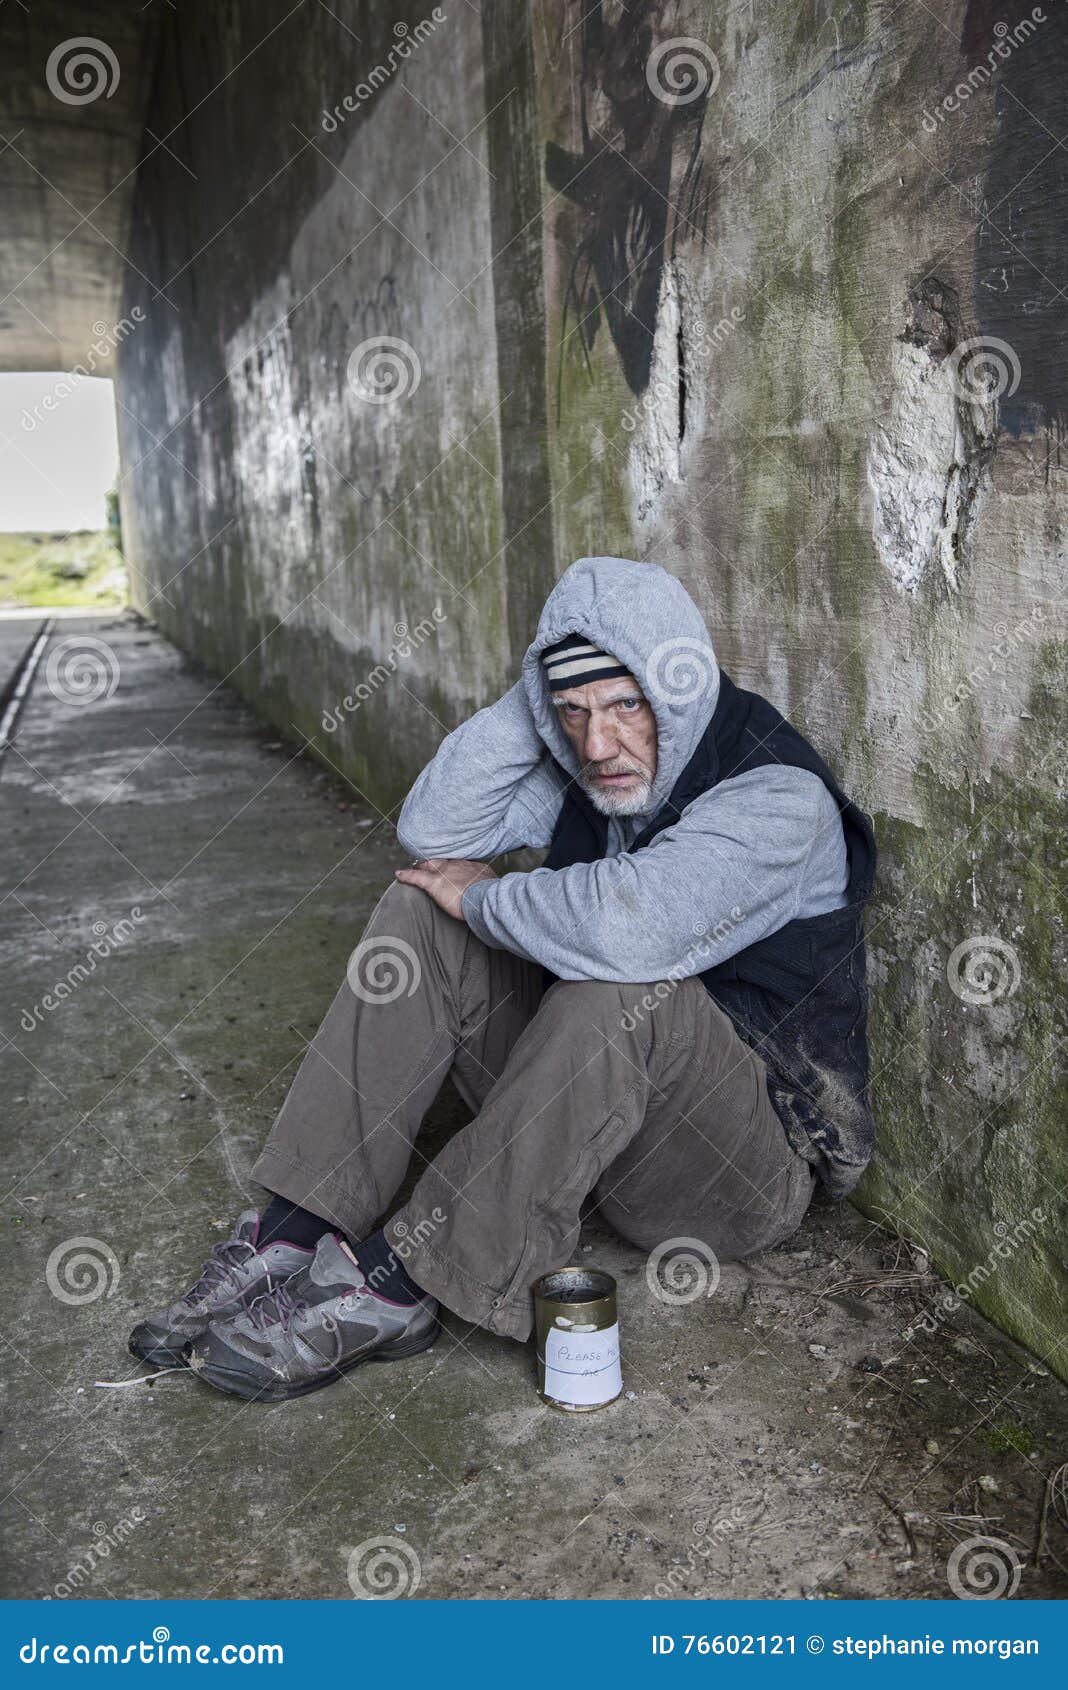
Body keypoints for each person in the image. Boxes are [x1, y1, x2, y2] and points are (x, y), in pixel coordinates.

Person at [129, 556, 876, 1401]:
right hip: (608, 1132)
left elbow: (631, 932)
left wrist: (490, 894)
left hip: (737, 1174)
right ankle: (296, 1228)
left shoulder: (778, 796)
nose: (600, 745)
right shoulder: (594, 767)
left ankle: (401, 1282)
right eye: (574, 713)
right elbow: (434, 830)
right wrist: (538, 698)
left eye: (627, 705)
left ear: (682, 686)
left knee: (624, 986)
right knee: (420, 914)